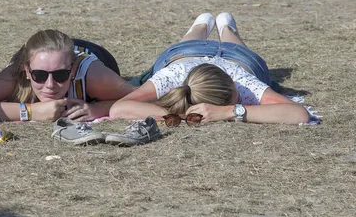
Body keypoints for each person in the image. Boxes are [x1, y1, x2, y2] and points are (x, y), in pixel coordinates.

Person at [109, 12, 310, 140]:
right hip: (208, 55)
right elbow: (119, 108)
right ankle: (217, 27)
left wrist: (229, 111)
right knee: (228, 45)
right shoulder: (173, 77)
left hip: (205, 56)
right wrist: (182, 116)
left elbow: (299, 113)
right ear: (231, 84)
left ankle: (213, 26)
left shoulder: (242, 82)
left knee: (192, 45)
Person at [0, 29, 137, 122]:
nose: (50, 84)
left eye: (61, 75)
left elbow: (144, 97)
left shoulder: (91, 75)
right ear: (28, 71)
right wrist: (31, 112)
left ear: (72, 71)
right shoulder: (16, 74)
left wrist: (98, 109)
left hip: (91, 51)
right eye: (39, 75)